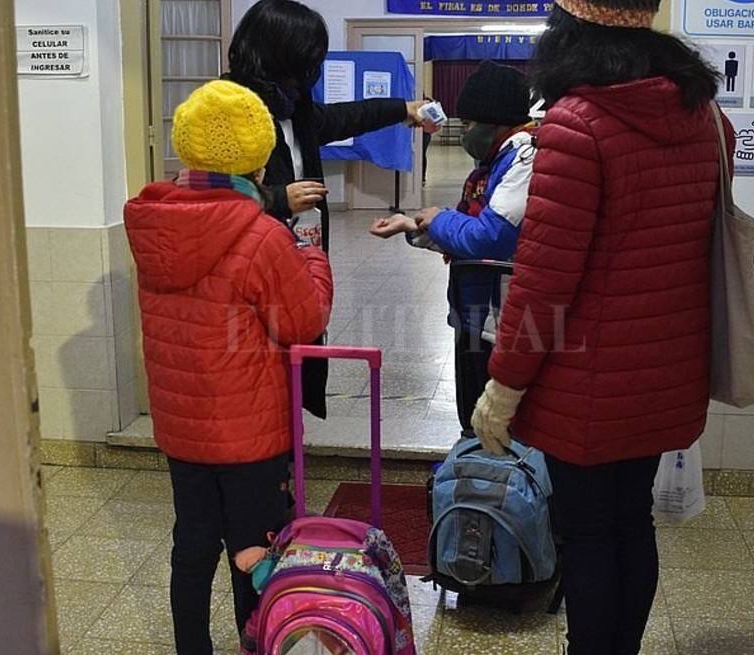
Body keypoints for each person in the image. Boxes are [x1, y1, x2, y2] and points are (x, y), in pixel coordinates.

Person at [468, 1, 727, 653]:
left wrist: (503, 386)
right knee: (629, 522)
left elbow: (544, 280)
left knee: (585, 534)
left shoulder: (577, 125)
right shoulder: (703, 117)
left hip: (587, 387)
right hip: (666, 370)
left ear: (570, 31)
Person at [123, 80, 333, 655]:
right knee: (255, 553)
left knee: (191, 546)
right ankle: (256, 643)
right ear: (259, 156)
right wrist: (312, 256)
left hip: (182, 429)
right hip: (251, 434)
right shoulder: (263, 236)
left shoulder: (151, 224)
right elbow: (300, 321)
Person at [225, 0, 427, 420]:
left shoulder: (292, 103)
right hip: (254, 267)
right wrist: (277, 200)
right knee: (259, 376)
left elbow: (341, 118)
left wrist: (402, 109)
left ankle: (287, 459)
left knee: (298, 362)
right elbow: (215, 193)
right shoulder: (230, 108)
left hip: (300, 255)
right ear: (282, 51)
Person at [370, 60, 536, 430]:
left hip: (501, 319)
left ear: (497, 120)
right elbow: (471, 225)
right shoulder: (493, 161)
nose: (466, 132)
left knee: (493, 425)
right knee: (471, 415)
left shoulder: (525, 159)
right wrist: (411, 225)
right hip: (473, 311)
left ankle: (492, 482)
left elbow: (488, 236)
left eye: (470, 124)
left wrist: (439, 218)